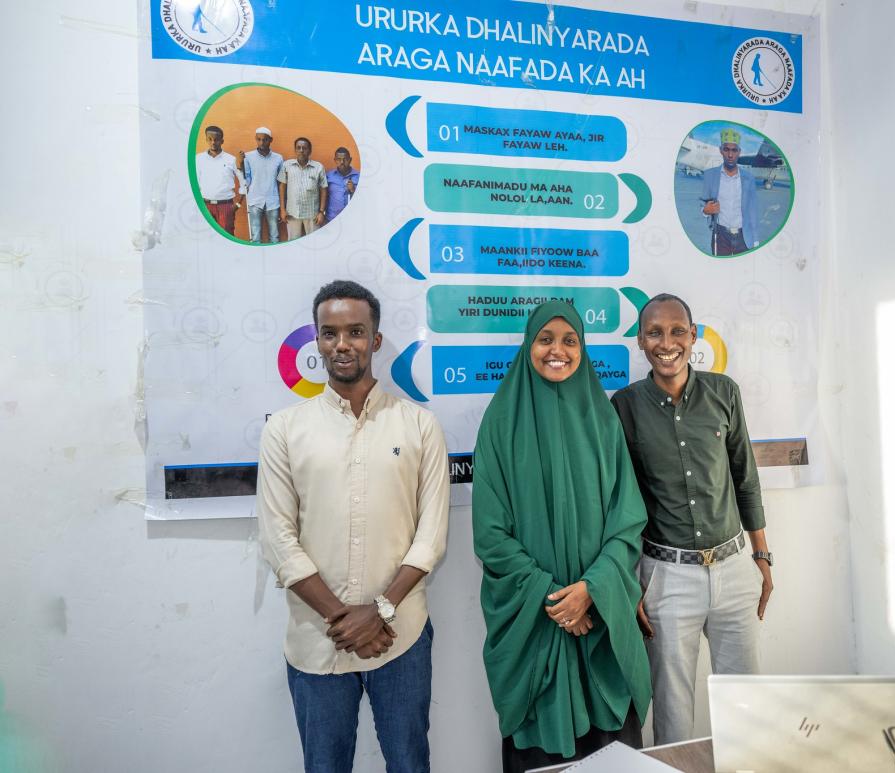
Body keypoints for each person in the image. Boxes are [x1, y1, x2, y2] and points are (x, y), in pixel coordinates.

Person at [257, 279, 450, 773]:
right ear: (316, 341)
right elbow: (279, 541)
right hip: (317, 642)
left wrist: (380, 611)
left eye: (356, 332)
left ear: (376, 340)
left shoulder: (419, 425)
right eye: (330, 333)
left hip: (401, 637)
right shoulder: (284, 429)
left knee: (410, 764)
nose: (343, 345)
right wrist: (347, 622)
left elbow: (430, 538)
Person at [472, 301, 652, 773]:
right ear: (528, 346)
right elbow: (491, 534)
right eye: (545, 339)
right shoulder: (499, 424)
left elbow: (627, 518)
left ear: (583, 348)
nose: (558, 350)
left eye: (570, 340)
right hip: (535, 627)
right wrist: (557, 601)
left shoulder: (603, 419)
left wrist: (593, 590)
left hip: (601, 623)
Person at [610, 293, 774, 745]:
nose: (668, 342)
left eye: (678, 330)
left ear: (693, 335)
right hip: (666, 577)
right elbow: (620, 506)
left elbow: (746, 478)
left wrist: (762, 556)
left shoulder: (724, 393)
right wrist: (630, 583)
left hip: (734, 566)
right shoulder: (623, 406)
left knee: (746, 706)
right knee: (673, 714)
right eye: (656, 332)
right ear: (641, 340)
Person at [700, 127, 759, 255]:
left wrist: (755, 239)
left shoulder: (749, 178)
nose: (730, 155)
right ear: (721, 150)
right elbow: (702, 203)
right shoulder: (710, 175)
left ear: (739, 152)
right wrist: (705, 210)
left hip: (744, 237)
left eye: (734, 150)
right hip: (720, 236)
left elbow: (752, 210)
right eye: (726, 149)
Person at [194, 124, 245, 235]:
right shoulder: (198, 159)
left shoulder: (231, 160)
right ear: (206, 140)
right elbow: (195, 183)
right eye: (210, 139)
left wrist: (238, 205)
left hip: (225, 207)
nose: (213, 142)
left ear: (222, 141)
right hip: (205, 206)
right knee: (205, 238)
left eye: (216, 140)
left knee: (226, 238)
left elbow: (244, 183)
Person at [239, 126, 283, 243]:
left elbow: (281, 181)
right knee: (255, 236)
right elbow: (246, 179)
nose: (262, 142)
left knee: (274, 236)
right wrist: (241, 164)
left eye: (265, 139)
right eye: (259, 139)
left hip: (273, 201)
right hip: (254, 200)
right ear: (255, 139)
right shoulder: (248, 157)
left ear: (271, 140)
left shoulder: (278, 158)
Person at [278, 137, 327, 240]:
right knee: (293, 242)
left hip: (312, 214)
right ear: (295, 150)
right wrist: (282, 210)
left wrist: (321, 212)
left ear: (310, 150)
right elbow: (282, 186)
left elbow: (324, 189)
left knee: (314, 243)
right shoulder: (287, 165)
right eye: (298, 147)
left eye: (304, 148)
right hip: (292, 213)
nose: (301, 150)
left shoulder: (318, 167)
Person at [325, 147, 359, 222]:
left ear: (350, 160)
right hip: (332, 218)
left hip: (351, 219)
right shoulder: (329, 176)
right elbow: (323, 195)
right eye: (339, 159)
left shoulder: (359, 176)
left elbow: (365, 199)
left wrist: (353, 190)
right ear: (335, 160)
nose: (342, 162)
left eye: (345, 159)